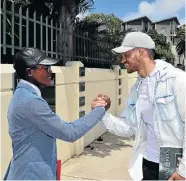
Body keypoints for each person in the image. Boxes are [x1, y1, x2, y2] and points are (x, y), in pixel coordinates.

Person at [91, 32, 186, 180]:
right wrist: (101, 113)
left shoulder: (176, 79)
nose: (123, 60)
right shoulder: (136, 89)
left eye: (126, 55)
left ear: (141, 52)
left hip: (175, 166)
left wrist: (183, 171)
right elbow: (129, 127)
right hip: (147, 163)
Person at [5, 47, 109, 180]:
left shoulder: (23, 95)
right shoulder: (31, 102)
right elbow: (70, 132)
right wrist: (100, 109)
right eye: (45, 68)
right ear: (30, 72)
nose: (50, 72)